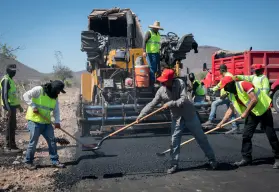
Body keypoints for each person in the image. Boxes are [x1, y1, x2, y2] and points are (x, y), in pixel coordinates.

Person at [136, 68, 218, 174]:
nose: (163, 82)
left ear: (171, 79)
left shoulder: (180, 83)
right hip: (177, 118)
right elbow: (152, 104)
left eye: (165, 80)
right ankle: (174, 164)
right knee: (174, 141)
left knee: (201, 138)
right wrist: (142, 114)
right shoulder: (161, 91)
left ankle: (212, 160)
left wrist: (170, 104)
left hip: (190, 115)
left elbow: (183, 99)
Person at [217, 76, 279, 168]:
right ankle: (246, 158)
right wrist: (221, 122)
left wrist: (245, 112)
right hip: (252, 112)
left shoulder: (244, 84)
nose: (225, 89)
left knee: (271, 134)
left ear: (231, 84)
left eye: (225, 87)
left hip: (263, 110)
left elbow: (254, 99)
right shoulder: (231, 94)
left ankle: (278, 158)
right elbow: (230, 109)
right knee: (246, 135)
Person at [23, 80, 66, 170]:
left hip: (47, 123)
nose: (59, 93)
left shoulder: (55, 97)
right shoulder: (39, 90)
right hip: (35, 121)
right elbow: (25, 95)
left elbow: (56, 110)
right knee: (33, 143)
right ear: (54, 88)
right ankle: (28, 162)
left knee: (52, 141)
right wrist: (33, 106)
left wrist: (57, 121)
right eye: (58, 90)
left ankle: (55, 161)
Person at [202, 64, 239, 134]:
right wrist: (213, 89)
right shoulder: (225, 76)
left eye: (219, 70)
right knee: (231, 113)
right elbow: (220, 84)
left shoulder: (228, 77)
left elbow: (231, 87)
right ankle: (235, 127)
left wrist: (225, 94)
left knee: (214, 103)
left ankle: (210, 120)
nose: (219, 71)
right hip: (228, 97)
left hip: (228, 97)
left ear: (222, 70)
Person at [236, 64, 270, 131]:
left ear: (261, 71)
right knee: (255, 114)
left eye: (257, 70)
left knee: (262, 114)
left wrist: (262, 98)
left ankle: (263, 126)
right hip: (255, 99)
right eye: (255, 71)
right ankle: (250, 128)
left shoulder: (263, 78)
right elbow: (246, 78)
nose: (255, 72)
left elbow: (266, 90)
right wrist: (237, 76)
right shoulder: (254, 77)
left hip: (261, 99)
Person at [0, 64, 23, 153]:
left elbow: (12, 95)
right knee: (9, 126)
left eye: (15, 70)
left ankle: (13, 145)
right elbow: (4, 96)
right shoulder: (6, 80)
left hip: (12, 106)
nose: (15, 72)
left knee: (13, 126)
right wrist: (8, 108)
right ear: (9, 70)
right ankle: (8, 147)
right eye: (13, 71)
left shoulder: (10, 80)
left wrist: (18, 106)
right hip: (8, 107)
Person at [142, 21, 163, 87]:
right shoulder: (149, 33)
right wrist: (144, 51)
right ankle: (152, 83)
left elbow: (158, 44)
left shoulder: (158, 34)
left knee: (158, 68)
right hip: (150, 53)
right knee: (152, 68)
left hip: (156, 53)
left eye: (157, 28)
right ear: (153, 27)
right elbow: (144, 41)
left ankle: (158, 81)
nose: (157, 29)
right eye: (156, 28)